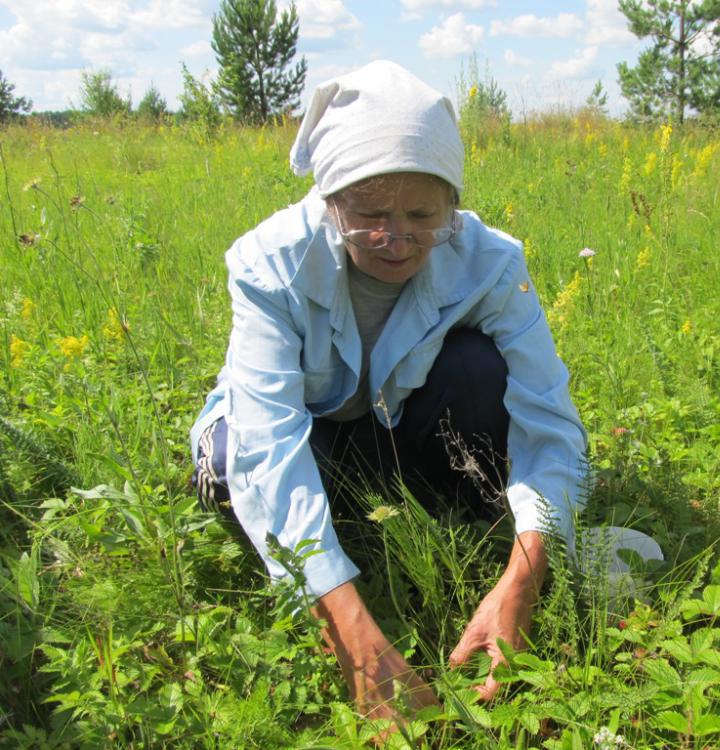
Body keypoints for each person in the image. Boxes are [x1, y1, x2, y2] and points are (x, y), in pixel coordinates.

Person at [188, 60, 588, 721]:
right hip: (297, 438)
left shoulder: (490, 261)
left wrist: (526, 576)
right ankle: (337, 553)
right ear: (329, 201)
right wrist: (351, 631)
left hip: (388, 426)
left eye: (422, 215)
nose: (396, 239)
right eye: (369, 213)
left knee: (483, 371)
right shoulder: (269, 265)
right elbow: (270, 443)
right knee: (232, 464)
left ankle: (442, 520)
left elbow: (550, 416)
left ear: (453, 207)